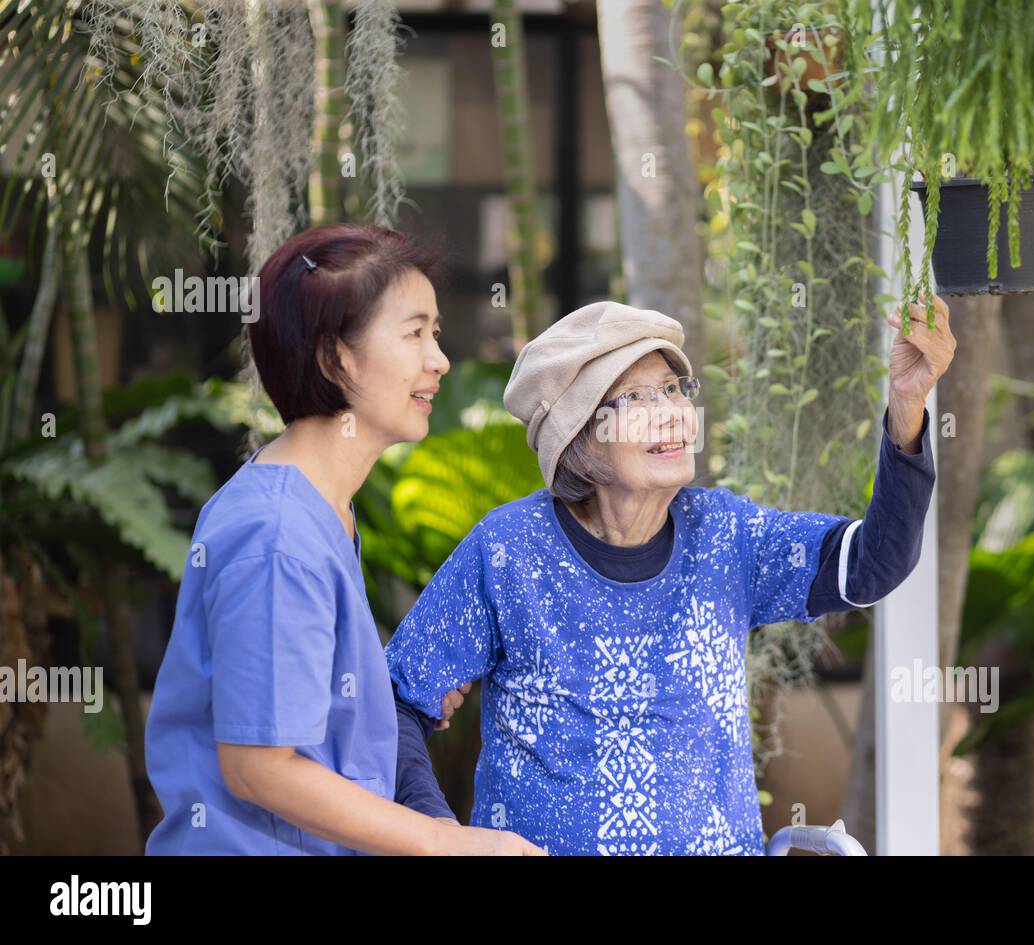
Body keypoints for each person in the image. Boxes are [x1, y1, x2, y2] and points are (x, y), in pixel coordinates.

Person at [387, 294, 955, 854]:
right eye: (635, 397)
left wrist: (906, 413)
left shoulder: (725, 534)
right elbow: (398, 699)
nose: (673, 411)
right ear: (577, 437)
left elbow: (873, 563)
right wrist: (439, 833)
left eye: (673, 389)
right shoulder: (510, 550)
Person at [144, 223, 543, 855]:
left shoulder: (326, 510)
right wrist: (448, 844)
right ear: (336, 357)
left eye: (434, 333)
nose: (439, 359)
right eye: (414, 333)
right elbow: (259, 766)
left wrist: (379, 702)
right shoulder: (276, 534)